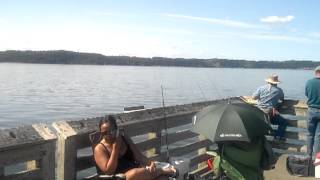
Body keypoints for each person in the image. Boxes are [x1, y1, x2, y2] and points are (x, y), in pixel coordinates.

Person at [93, 115, 178, 180]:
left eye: (111, 131)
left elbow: (140, 157)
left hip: (138, 173)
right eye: (104, 133)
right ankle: (162, 171)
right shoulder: (100, 149)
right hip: (118, 177)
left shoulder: (124, 138)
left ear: (116, 130)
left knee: (162, 178)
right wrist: (116, 148)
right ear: (101, 133)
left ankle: (158, 173)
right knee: (134, 174)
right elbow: (109, 171)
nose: (108, 135)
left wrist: (151, 163)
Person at [252, 74, 288, 140]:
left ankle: (264, 136)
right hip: (270, 113)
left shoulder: (261, 88)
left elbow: (253, 97)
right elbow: (282, 99)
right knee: (284, 122)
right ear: (276, 83)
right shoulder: (279, 90)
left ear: (268, 81)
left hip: (259, 113)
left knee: (262, 125)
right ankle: (278, 136)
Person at [305, 66, 320, 160]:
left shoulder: (309, 82)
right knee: (319, 136)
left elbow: (307, 94)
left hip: (311, 110)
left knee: (310, 134)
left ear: (316, 72)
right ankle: (316, 158)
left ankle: (308, 156)